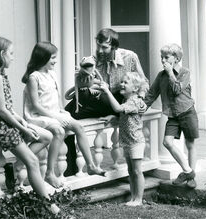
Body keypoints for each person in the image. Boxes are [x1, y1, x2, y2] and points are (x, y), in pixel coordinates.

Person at [0, 37, 60, 214]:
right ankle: (48, 204)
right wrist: (23, 128)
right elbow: (1, 111)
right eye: (11, 53)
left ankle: (14, 167)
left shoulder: (0, 76)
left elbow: (8, 109)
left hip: (6, 122)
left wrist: (23, 122)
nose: (13, 57)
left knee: (46, 136)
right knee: (33, 161)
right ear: (1, 54)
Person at [64, 28, 149, 174]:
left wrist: (135, 103)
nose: (100, 50)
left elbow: (144, 83)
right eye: (98, 45)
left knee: (102, 98)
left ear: (114, 47)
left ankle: (76, 169)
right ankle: (70, 170)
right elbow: (87, 88)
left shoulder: (130, 57)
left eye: (104, 47)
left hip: (119, 101)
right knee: (66, 116)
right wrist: (83, 81)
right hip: (98, 100)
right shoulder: (93, 61)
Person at [22, 42, 106, 180]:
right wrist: (56, 117)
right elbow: (36, 106)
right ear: (43, 57)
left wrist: (62, 111)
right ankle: (50, 172)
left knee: (78, 126)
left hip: (54, 114)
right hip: (39, 116)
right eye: (53, 58)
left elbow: (57, 96)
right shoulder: (34, 77)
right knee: (59, 131)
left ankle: (91, 165)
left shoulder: (52, 74)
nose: (55, 61)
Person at [144, 43, 199, 188]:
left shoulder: (185, 72)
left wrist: (170, 73)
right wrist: (140, 108)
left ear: (176, 58)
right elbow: (151, 94)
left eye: (166, 57)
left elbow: (176, 90)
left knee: (190, 144)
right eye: (161, 57)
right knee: (167, 142)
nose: (162, 60)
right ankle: (188, 172)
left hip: (187, 112)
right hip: (173, 116)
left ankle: (191, 178)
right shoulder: (161, 76)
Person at [99, 72, 147, 206]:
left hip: (136, 141)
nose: (122, 84)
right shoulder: (126, 101)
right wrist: (114, 118)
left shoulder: (135, 101)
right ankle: (133, 197)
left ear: (135, 89)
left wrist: (107, 91)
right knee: (131, 171)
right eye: (122, 82)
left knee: (137, 171)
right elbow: (125, 115)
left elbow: (118, 108)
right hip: (127, 141)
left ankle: (139, 199)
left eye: (126, 82)